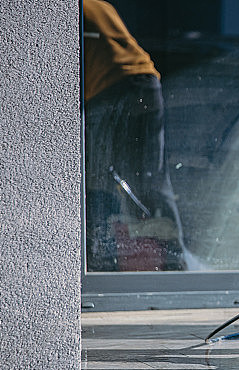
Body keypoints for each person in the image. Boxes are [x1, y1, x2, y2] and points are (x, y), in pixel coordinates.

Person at [83, 0, 185, 272]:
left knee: (99, 180)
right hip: (144, 83)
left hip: (113, 89)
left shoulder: (79, 8)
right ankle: (175, 261)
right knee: (151, 179)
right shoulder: (97, 6)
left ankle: (105, 262)